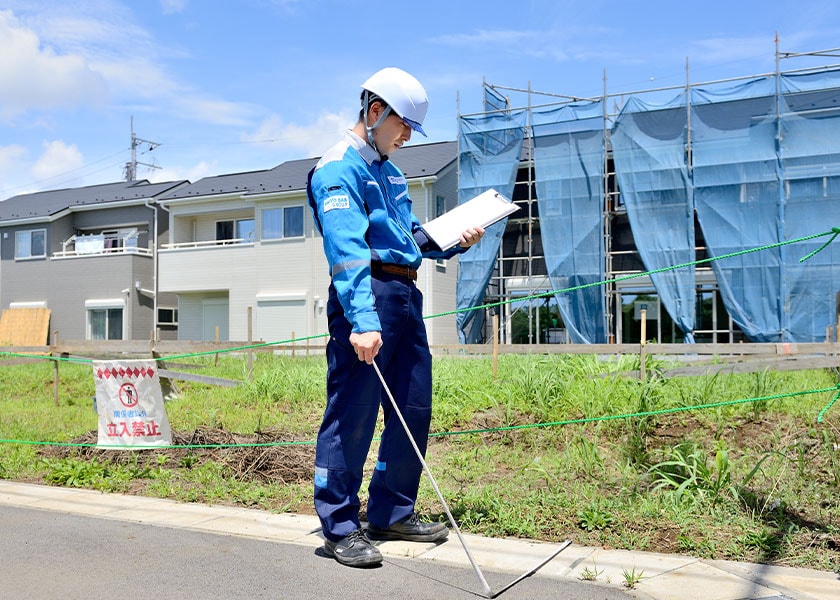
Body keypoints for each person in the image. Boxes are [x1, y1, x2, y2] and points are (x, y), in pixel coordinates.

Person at [306, 67, 485, 568]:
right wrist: (362, 320)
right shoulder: (337, 168)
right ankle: (339, 525)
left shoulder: (389, 170)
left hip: (405, 292)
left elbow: (405, 238)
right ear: (375, 110)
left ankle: (390, 511)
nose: (406, 136)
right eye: (403, 124)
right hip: (367, 296)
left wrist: (451, 238)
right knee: (354, 411)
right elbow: (347, 251)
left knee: (412, 408)